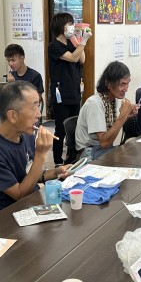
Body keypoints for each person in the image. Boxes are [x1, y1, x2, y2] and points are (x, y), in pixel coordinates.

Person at [0, 81, 71, 214]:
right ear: (13, 116)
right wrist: (41, 155)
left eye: (38, 106)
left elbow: (29, 174)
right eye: (33, 107)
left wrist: (55, 173)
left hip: (32, 203)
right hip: (8, 215)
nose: (39, 114)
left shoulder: (25, 134)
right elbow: (20, 195)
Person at [48, 12, 91, 166]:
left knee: (75, 127)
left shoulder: (71, 42)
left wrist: (78, 40)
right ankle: (58, 161)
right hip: (61, 93)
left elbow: (81, 59)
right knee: (60, 129)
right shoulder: (54, 46)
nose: (72, 26)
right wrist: (83, 42)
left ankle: (72, 157)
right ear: (61, 26)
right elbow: (72, 58)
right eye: (69, 24)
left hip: (74, 91)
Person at [75, 61, 138, 160]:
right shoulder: (95, 103)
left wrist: (126, 116)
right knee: (126, 159)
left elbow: (108, 139)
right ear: (108, 84)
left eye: (127, 83)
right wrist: (122, 116)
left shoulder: (111, 100)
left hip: (102, 148)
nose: (126, 89)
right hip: (89, 152)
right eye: (122, 84)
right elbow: (104, 143)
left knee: (133, 153)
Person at [4, 43, 45, 111]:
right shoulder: (11, 75)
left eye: (13, 60)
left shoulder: (35, 76)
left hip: (29, 110)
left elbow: (37, 100)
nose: (10, 64)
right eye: (8, 60)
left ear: (22, 58)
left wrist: (14, 85)